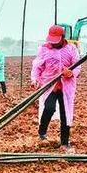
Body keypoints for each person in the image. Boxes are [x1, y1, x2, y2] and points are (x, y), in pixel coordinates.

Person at [31, 25, 81, 153]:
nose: (52, 43)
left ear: (63, 38)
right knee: (49, 108)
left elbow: (77, 66)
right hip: (49, 85)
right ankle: (42, 133)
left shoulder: (71, 49)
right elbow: (37, 67)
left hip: (66, 86)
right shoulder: (44, 50)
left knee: (66, 114)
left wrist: (71, 73)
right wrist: (35, 79)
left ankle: (64, 142)